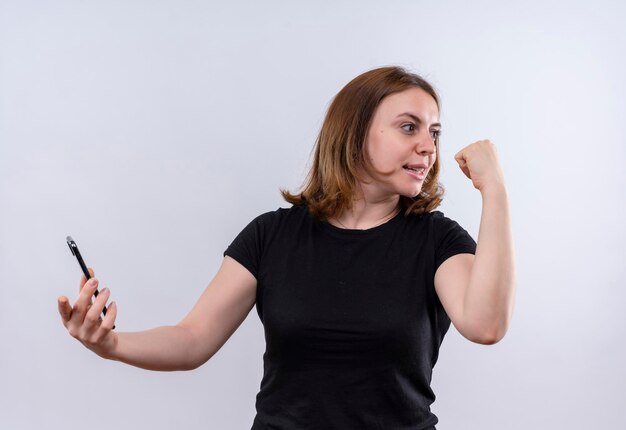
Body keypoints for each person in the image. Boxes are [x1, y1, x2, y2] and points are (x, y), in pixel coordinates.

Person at [58, 66, 516, 429]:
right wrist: (111, 344)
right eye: (409, 127)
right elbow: (193, 340)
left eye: (434, 132)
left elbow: (485, 324)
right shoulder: (271, 236)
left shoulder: (437, 240)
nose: (428, 147)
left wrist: (494, 189)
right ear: (354, 133)